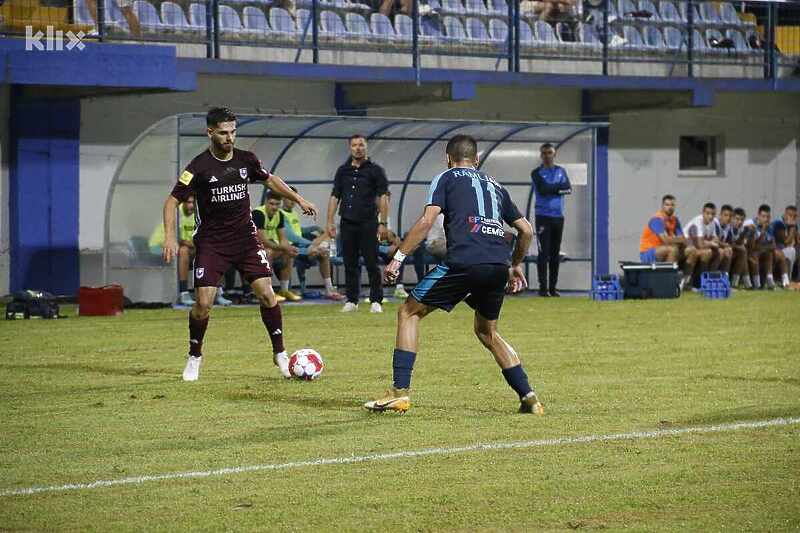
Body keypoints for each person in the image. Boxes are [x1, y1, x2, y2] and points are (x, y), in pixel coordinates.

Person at [363, 134, 543, 415]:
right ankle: (529, 398)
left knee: (408, 313)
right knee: (487, 332)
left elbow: (426, 221)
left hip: (463, 262)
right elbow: (527, 231)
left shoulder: (445, 178)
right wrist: (515, 265)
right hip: (496, 266)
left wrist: (397, 258)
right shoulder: (496, 186)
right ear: (477, 159)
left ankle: (400, 393)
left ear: (448, 158)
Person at [161, 107, 317, 382]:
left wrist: (299, 199)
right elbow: (171, 201)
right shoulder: (197, 167)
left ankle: (279, 353)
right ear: (209, 132)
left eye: (233, 132)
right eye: (223, 132)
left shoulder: (247, 160)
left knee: (268, 295)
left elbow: (270, 179)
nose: (229, 137)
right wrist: (171, 237)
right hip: (212, 243)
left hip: (245, 239)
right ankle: (195, 356)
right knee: (203, 304)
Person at [326, 134, 390, 314]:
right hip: (347, 222)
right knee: (350, 263)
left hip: (369, 222)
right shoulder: (342, 171)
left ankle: (376, 300)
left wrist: (383, 223)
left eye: (361, 145)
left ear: (366, 147)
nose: (358, 148)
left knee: (371, 262)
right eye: (354, 145)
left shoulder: (376, 170)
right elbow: (334, 196)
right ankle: (352, 300)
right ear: (350, 148)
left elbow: (384, 196)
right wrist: (330, 221)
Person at [281, 187, 345, 301]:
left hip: (301, 247)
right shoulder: (280, 214)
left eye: (293, 198)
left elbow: (299, 231)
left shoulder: (294, 214)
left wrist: (314, 228)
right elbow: (291, 236)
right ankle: (284, 291)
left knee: (324, 252)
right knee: (320, 247)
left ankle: (329, 289)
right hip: (290, 248)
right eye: (289, 197)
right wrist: (311, 243)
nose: (292, 201)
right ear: (283, 198)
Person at [530, 143, 572, 297]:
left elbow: (568, 188)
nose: (547, 155)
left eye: (550, 153)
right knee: (544, 252)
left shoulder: (561, 171)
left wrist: (553, 188)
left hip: (558, 216)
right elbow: (543, 189)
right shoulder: (536, 173)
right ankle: (543, 288)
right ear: (541, 155)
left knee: (555, 253)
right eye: (544, 153)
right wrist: (557, 188)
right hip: (543, 216)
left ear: (554, 155)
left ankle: (553, 288)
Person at [639, 194, 699, 290]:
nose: (670, 207)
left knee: (692, 251)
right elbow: (666, 240)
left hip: (666, 249)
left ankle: (685, 283)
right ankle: (668, 284)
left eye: (672, 205)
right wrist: (680, 240)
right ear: (662, 206)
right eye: (667, 205)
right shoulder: (656, 220)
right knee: (672, 249)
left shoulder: (675, 220)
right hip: (649, 253)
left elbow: (682, 240)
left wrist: (682, 241)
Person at [252, 190, 302, 302]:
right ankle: (267, 292)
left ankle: (284, 290)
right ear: (265, 202)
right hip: (250, 249)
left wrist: (289, 248)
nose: (274, 207)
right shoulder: (258, 213)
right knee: (267, 253)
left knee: (288, 252)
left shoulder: (279, 214)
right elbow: (262, 240)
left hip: (268, 247)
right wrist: (284, 247)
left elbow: (283, 239)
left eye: (277, 204)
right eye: (271, 204)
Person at [683, 202, 729, 284]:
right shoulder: (698, 221)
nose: (710, 216)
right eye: (707, 213)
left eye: (713, 214)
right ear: (703, 213)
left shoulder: (713, 222)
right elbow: (700, 244)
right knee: (707, 252)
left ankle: (711, 281)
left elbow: (715, 239)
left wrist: (712, 243)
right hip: (686, 247)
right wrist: (711, 243)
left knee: (721, 252)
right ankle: (696, 283)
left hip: (696, 246)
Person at [744, 204, 776, 290]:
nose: (766, 219)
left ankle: (770, 279)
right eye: (763, 216)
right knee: (755, 255)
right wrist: (762, 231)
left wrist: (763, 248)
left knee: (770, 253)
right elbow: (753, 246)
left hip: (759, 250)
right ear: (758, 215)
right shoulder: (751, 225)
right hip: (748, 251)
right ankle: (757, 284)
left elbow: (773, 245)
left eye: (768, 217)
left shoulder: (770, 226)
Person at [720, 206, 750, 288]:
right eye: (737, 219)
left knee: (743, 252)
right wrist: (737, 246)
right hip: (721, 251)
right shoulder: (727, 227)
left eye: (742, 220)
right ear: (732, 218)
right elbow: (723, 242)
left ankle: (735, 283)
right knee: (732, 251)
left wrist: (745, 233)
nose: (739, 222)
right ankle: (725, 283)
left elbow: (740, 243)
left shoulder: (741, 228)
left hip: (729, 250)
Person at [770, 205, 797, 288]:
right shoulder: (779, 223)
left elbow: (794, 241)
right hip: (774, 249)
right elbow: (785, 242)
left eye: (794, 216)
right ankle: (786, 281)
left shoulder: (790, 226)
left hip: (781, 250)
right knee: (791, 251)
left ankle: (790, 280)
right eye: (790, 215)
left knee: (793, 250)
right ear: (785, 214)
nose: (791, 218)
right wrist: (792, 227)